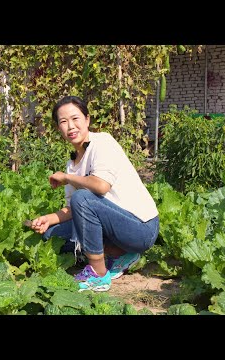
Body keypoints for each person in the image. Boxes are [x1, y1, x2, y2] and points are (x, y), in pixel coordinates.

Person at [28, 95, 159, 292]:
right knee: (51, 235)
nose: (70, 126)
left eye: (75, 119)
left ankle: (98, 274)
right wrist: (48, 219)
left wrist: (66, 178)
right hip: (113, 225)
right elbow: (74, 209)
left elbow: (100, 186)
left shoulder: (103, 142)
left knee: (83, 197)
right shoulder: (72, 166)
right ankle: (121, 254)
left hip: (141, 229)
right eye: (63, 122)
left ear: (87, 120)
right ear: (58, 129)